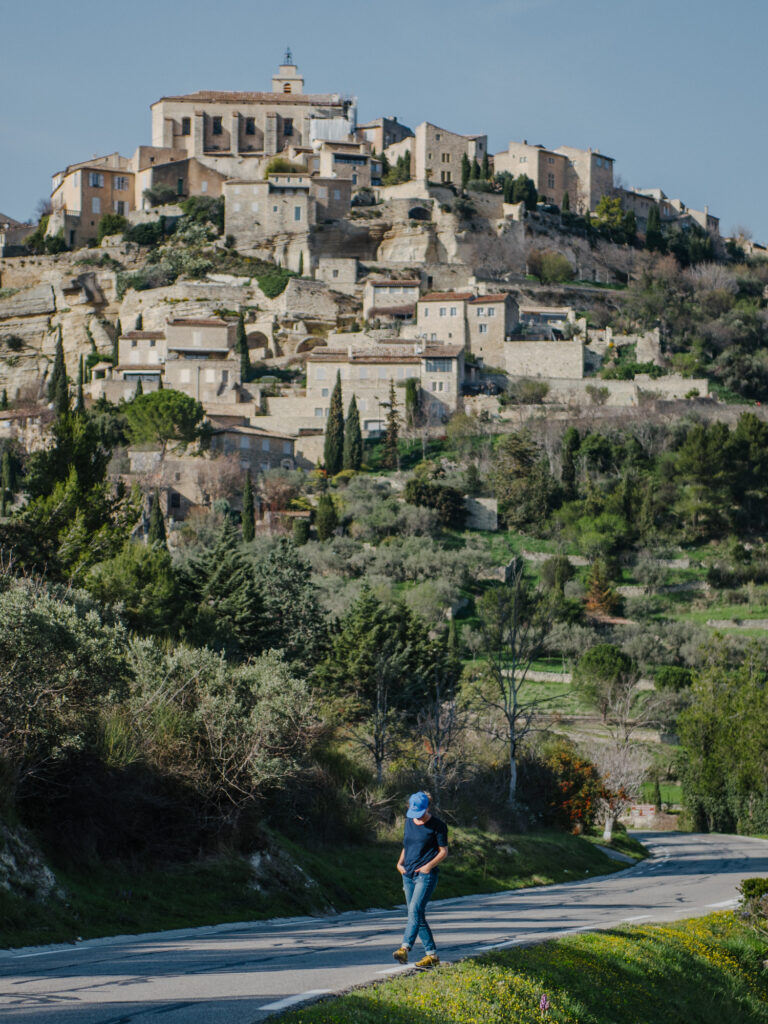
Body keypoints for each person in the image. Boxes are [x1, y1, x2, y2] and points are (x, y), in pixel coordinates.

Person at [392, 790, 448, 969]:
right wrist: (399, 864)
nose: (418, 817)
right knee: (416, 914)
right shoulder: (409, 822)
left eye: (421, 812)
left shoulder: (438, 825)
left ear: (427, 807)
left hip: (426, 875)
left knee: (415, 910)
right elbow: (406, 846)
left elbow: (443, 851)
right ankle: (432, 955)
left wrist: (428, 867)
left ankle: (404, 948)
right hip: (407, 874)